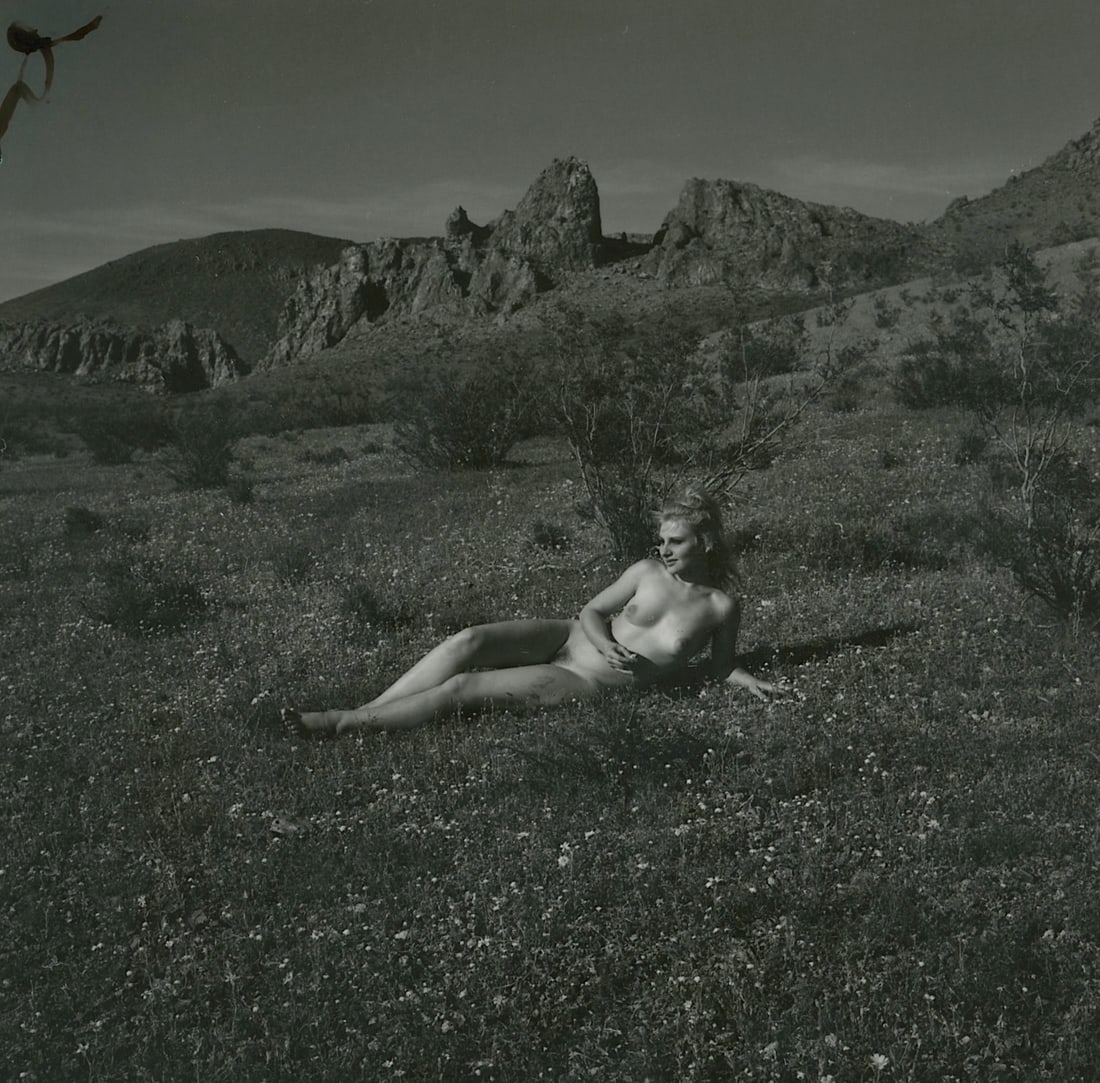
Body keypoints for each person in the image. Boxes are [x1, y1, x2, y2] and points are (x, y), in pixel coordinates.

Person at [283, 487, 782, 738]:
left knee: (465, 688)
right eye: (663, 540)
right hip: (570, 635)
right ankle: (374, 708)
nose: (665, 548)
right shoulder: (646, 570)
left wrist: (748, 680)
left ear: (707, 541)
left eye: (677, 541)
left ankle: (345, 724)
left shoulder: (721, 606)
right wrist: (607, 641)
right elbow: (591, 610)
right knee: (470, 640)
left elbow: (721, 666)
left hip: (587, 681)